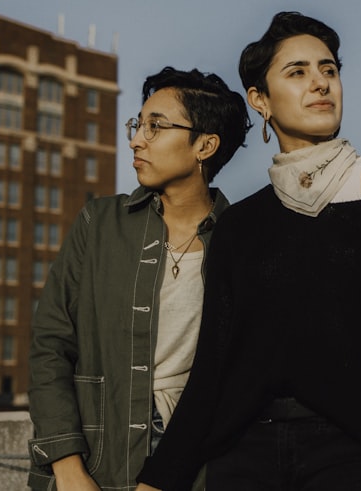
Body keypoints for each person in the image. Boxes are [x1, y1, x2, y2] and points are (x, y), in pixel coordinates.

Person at [136, 12, 361, 491]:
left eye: (329, 70)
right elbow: (215, 371)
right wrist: (157, 481)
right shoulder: (240, 225)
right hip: (244, 456)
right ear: (261, 100)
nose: (320, 83)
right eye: (297, 72)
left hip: (354, 455)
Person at [27, 66, 252, 491]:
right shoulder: (100, 223)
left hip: (199, 469)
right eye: (138, 124)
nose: (136, 139)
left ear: (205, 145)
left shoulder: (243, 242)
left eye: (156, 126)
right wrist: (68, 467)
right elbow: (50, 348)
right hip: (96, 463)